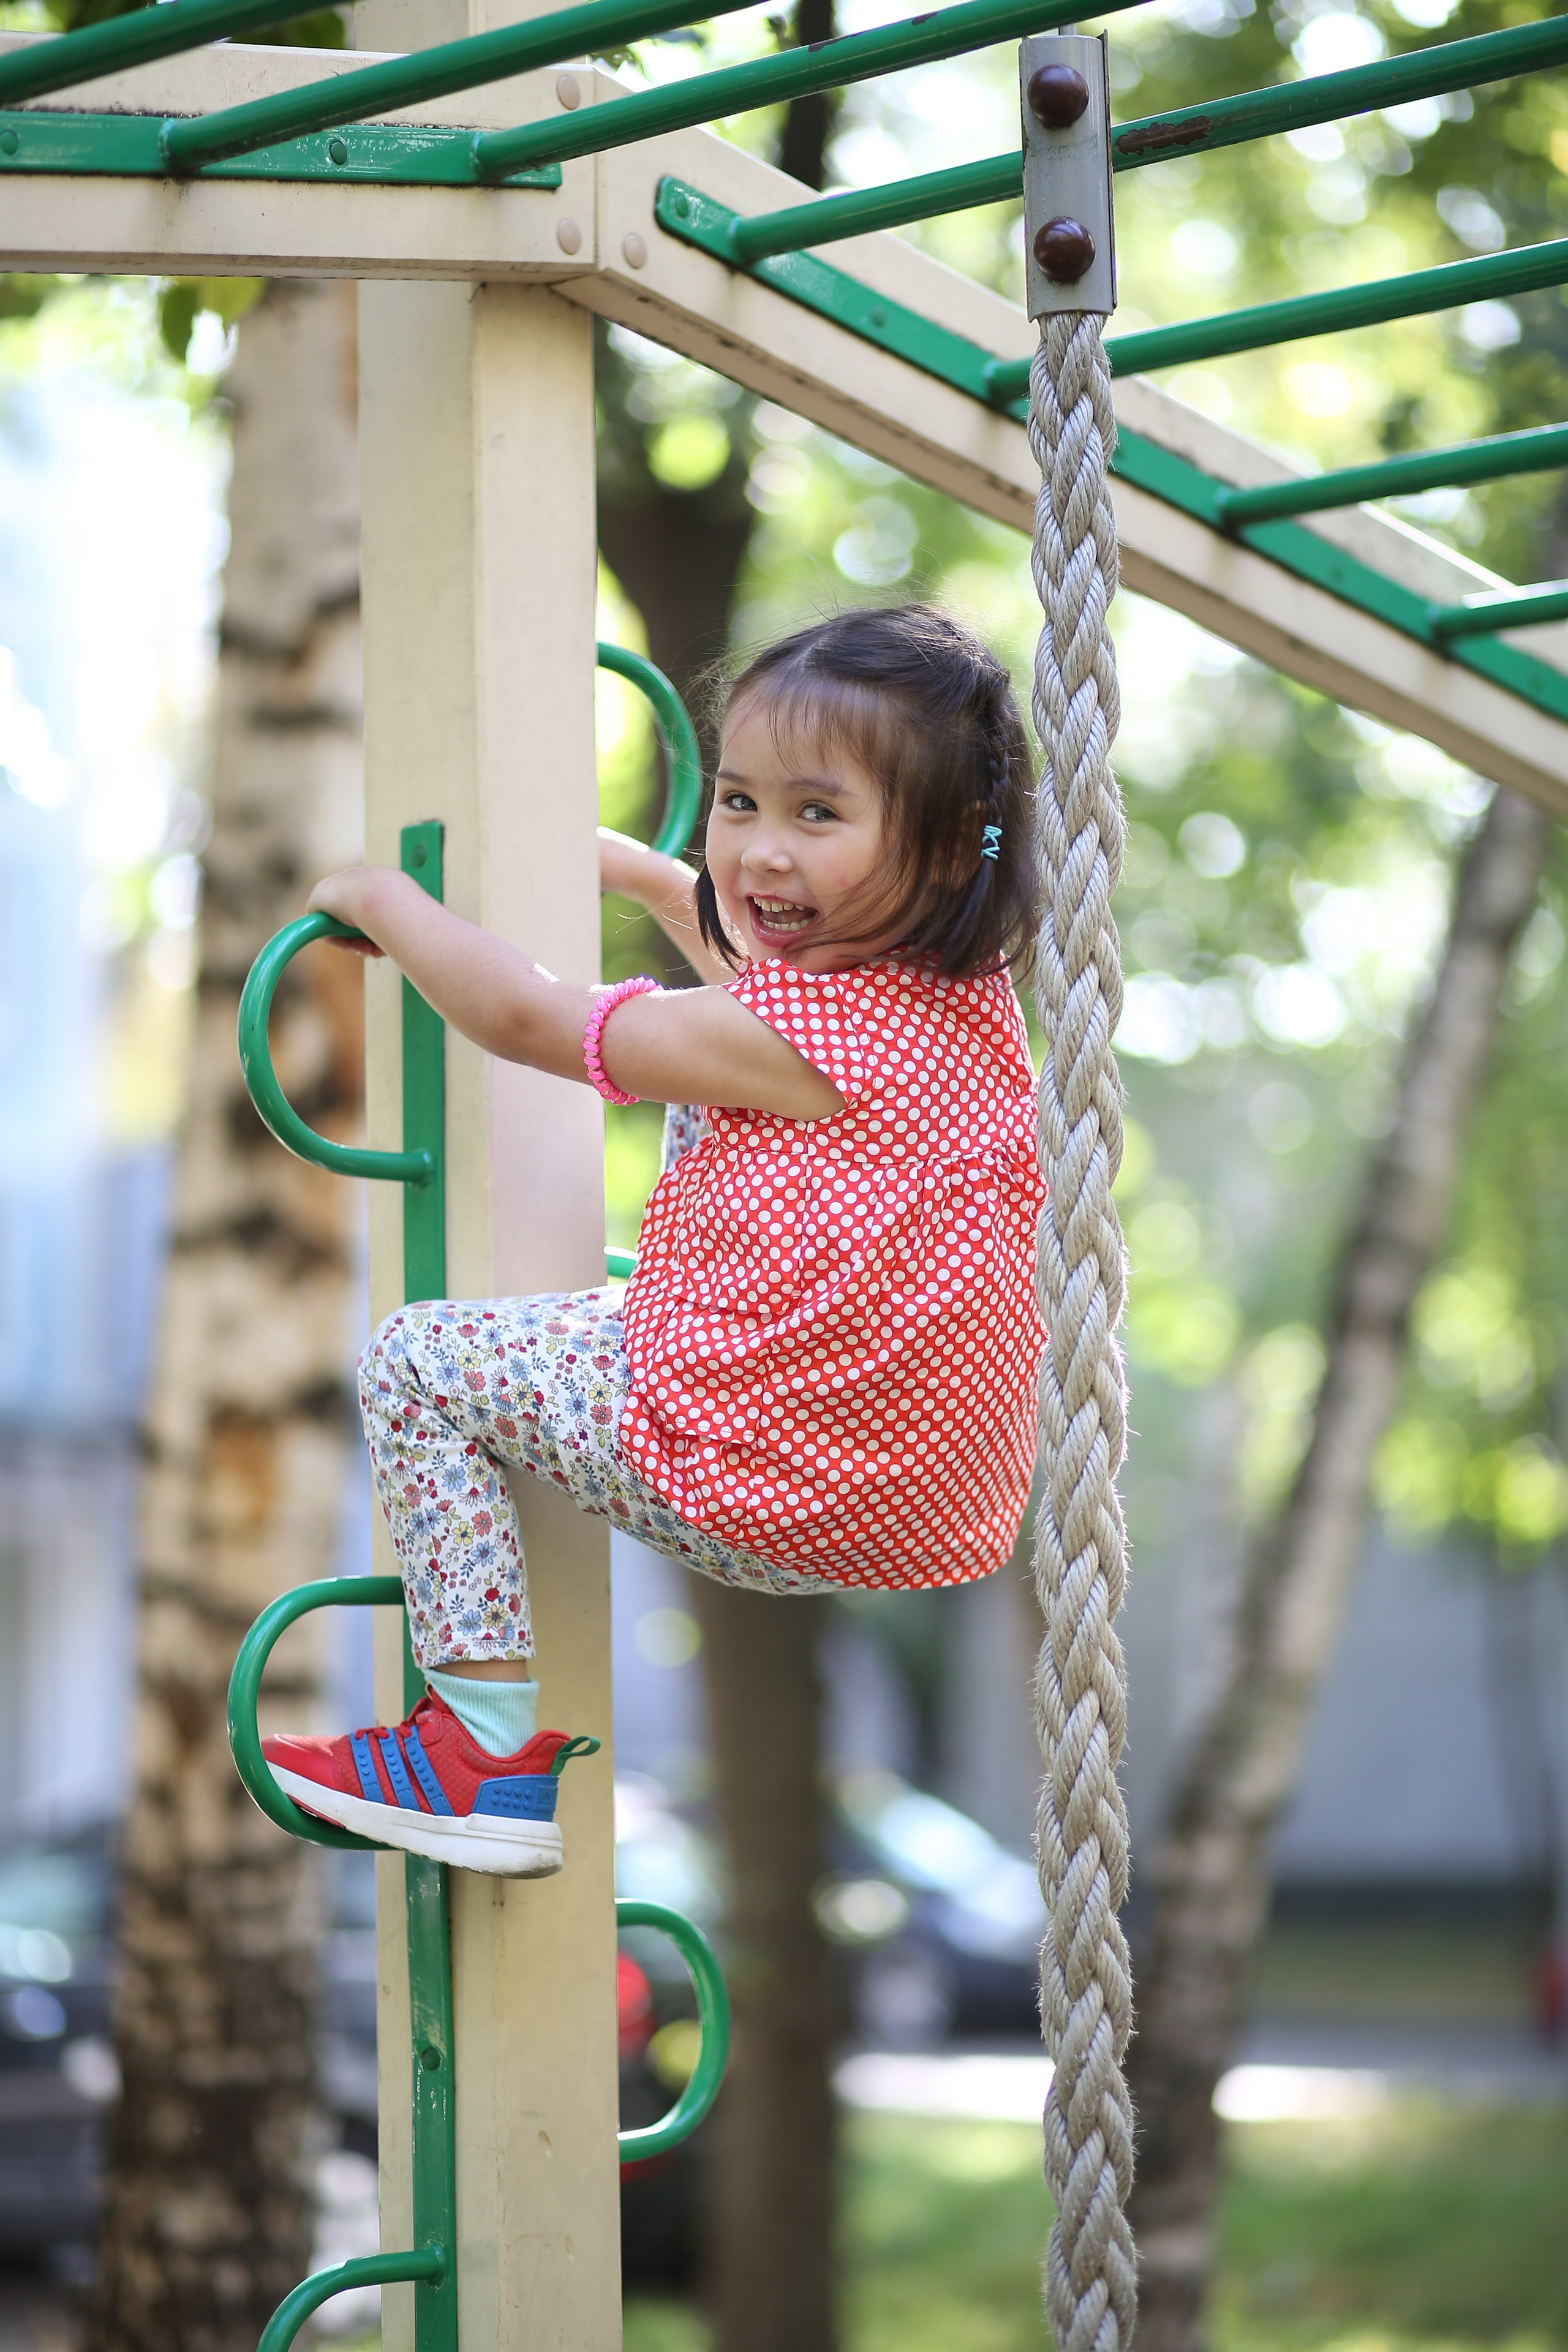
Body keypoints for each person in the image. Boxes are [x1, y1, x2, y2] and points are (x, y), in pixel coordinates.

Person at [263, 605, 1047, 1874]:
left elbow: (524, 1017)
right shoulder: (959, 1003)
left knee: (414, 1362)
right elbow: (752, 983)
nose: (757, 854)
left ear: (953, 847)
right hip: (919, 1498)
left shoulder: (791, 1039)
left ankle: (472, 1752)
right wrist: (638, 872)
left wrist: (386, 904)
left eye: (815, 815)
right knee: (606, 1263)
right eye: (737, 802)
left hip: (748, 1472)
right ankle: (476, 1742)